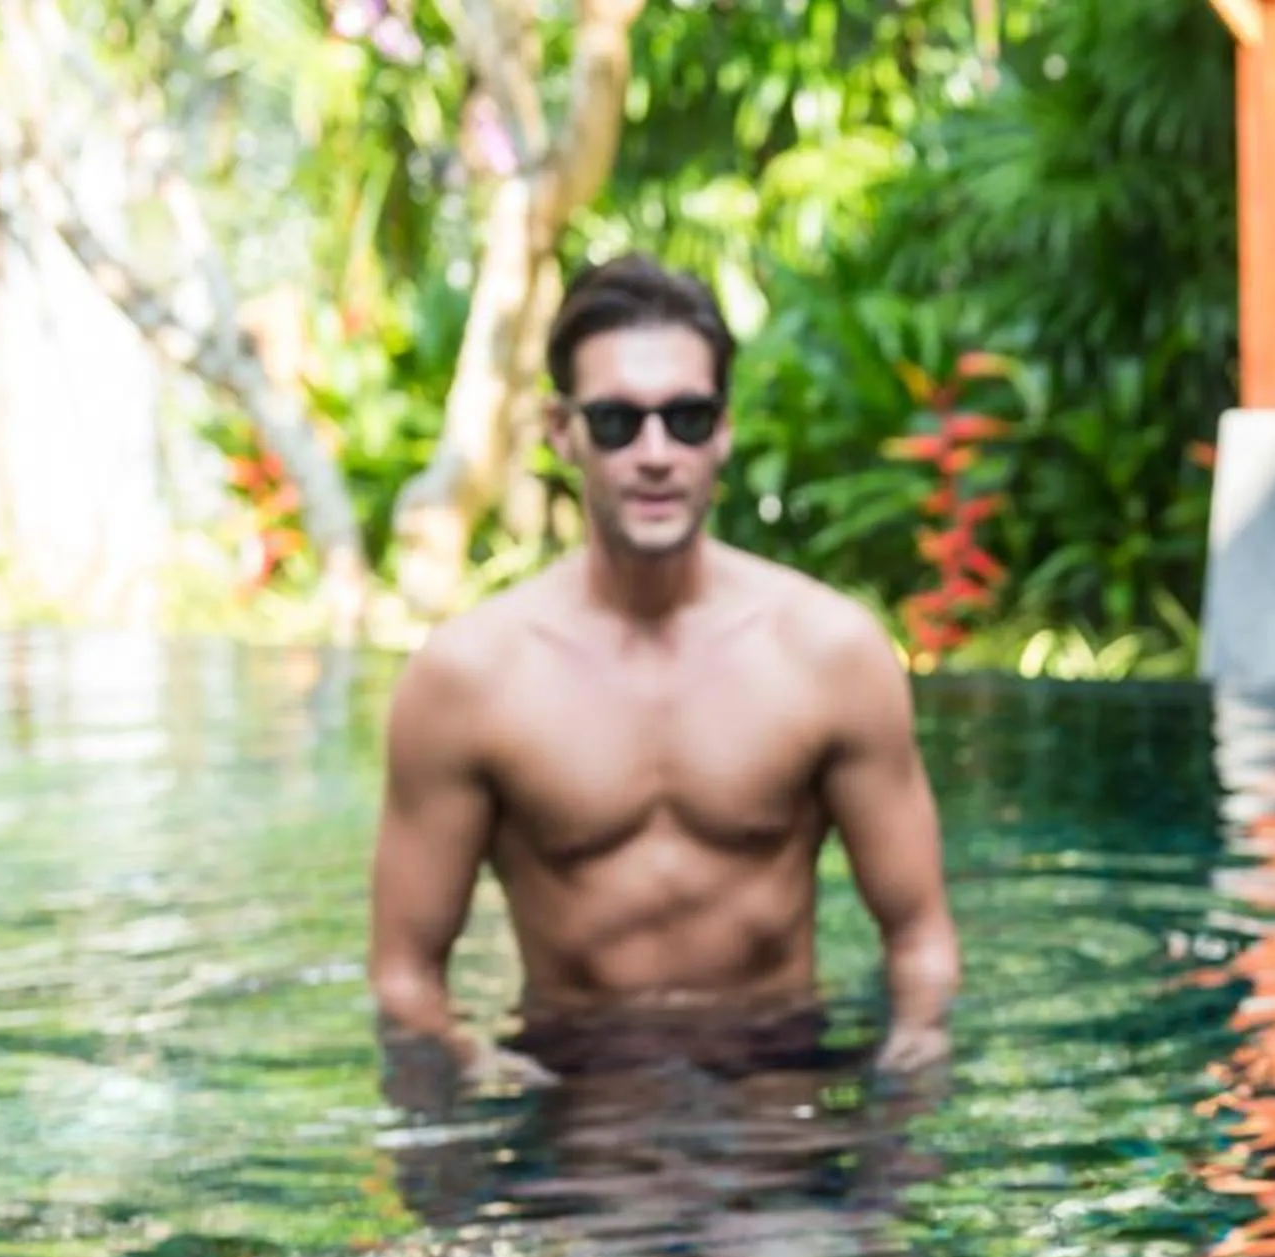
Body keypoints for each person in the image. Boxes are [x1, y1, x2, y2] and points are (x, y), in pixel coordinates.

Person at [368, 255, 959, 1089]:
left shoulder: (830, 655)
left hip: (776, 1085)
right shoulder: (469, 679)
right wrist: (475, 1073)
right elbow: (404, 975)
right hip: (575, 1095)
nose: (655, 454)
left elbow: (920, 937)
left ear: (723, 431)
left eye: (686, 419)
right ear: (562, 431)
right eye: (617, 422)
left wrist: (910, 1077)